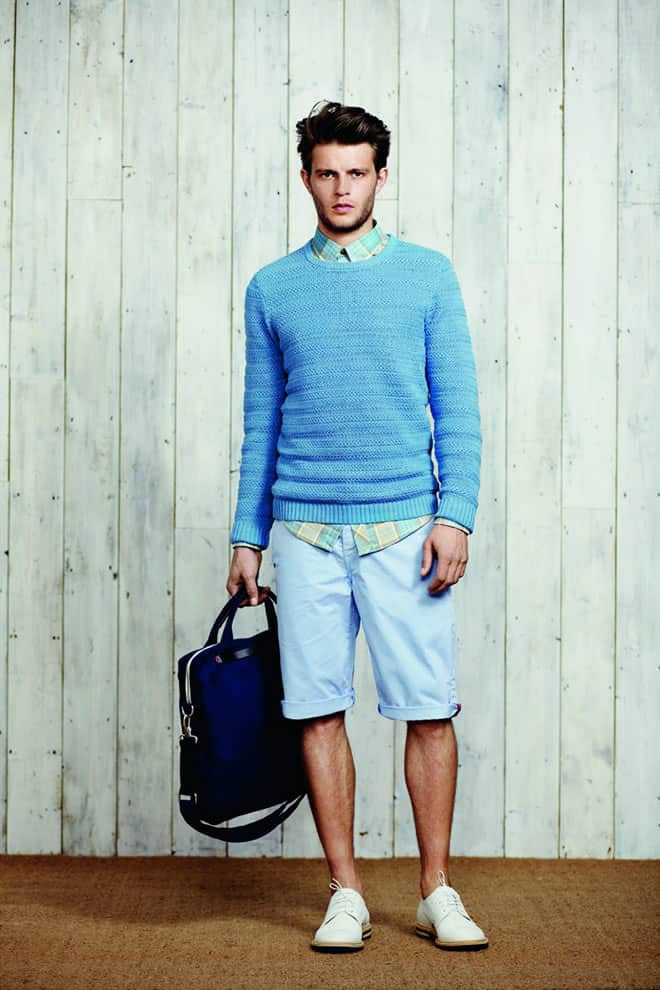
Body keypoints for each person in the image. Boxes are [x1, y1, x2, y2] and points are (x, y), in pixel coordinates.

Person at [226, 100, 488, 954]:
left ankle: (437, 890)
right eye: (327, 173)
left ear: (381, 176)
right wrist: (247, 535)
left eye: (357, 172)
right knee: (317, 711)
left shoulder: (428, 276)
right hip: (303, 533)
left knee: (428, 710)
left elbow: (458, 408)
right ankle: (346, 894)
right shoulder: (272, 288)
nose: (342, 188)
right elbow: (261, 422)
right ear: (306, 177)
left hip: (407, 530)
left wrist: (455, 515)